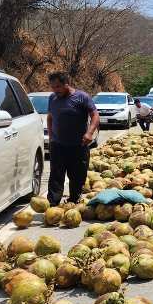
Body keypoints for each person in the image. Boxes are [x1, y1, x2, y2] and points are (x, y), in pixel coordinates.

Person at [46, 72, 100, 205]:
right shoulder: (52, 98)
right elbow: (50, 117)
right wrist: (51, 136)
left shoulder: (82, 97)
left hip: (78, 145)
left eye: (58, 87)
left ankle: (74, 200)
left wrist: (89, 133)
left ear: (66, 84)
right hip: (58, 145)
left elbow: (95, 115)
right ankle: (53, 203)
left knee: (77, 176)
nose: (55, 90)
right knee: (56, 175)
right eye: (52, 87)